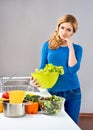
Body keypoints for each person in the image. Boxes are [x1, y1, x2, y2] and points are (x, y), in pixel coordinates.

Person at [30, 14, 83, 124]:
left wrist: (70, 47)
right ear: (58, 28)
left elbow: (72, 69)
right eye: (62, 28)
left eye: (69, 30)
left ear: (73, 32)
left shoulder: (77, 49)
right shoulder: (47, 45)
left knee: (72, 123)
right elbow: (42, 67)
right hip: (53, 92)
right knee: (53, 124)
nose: (64, 32)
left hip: (73, 92)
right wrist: (34, 80)